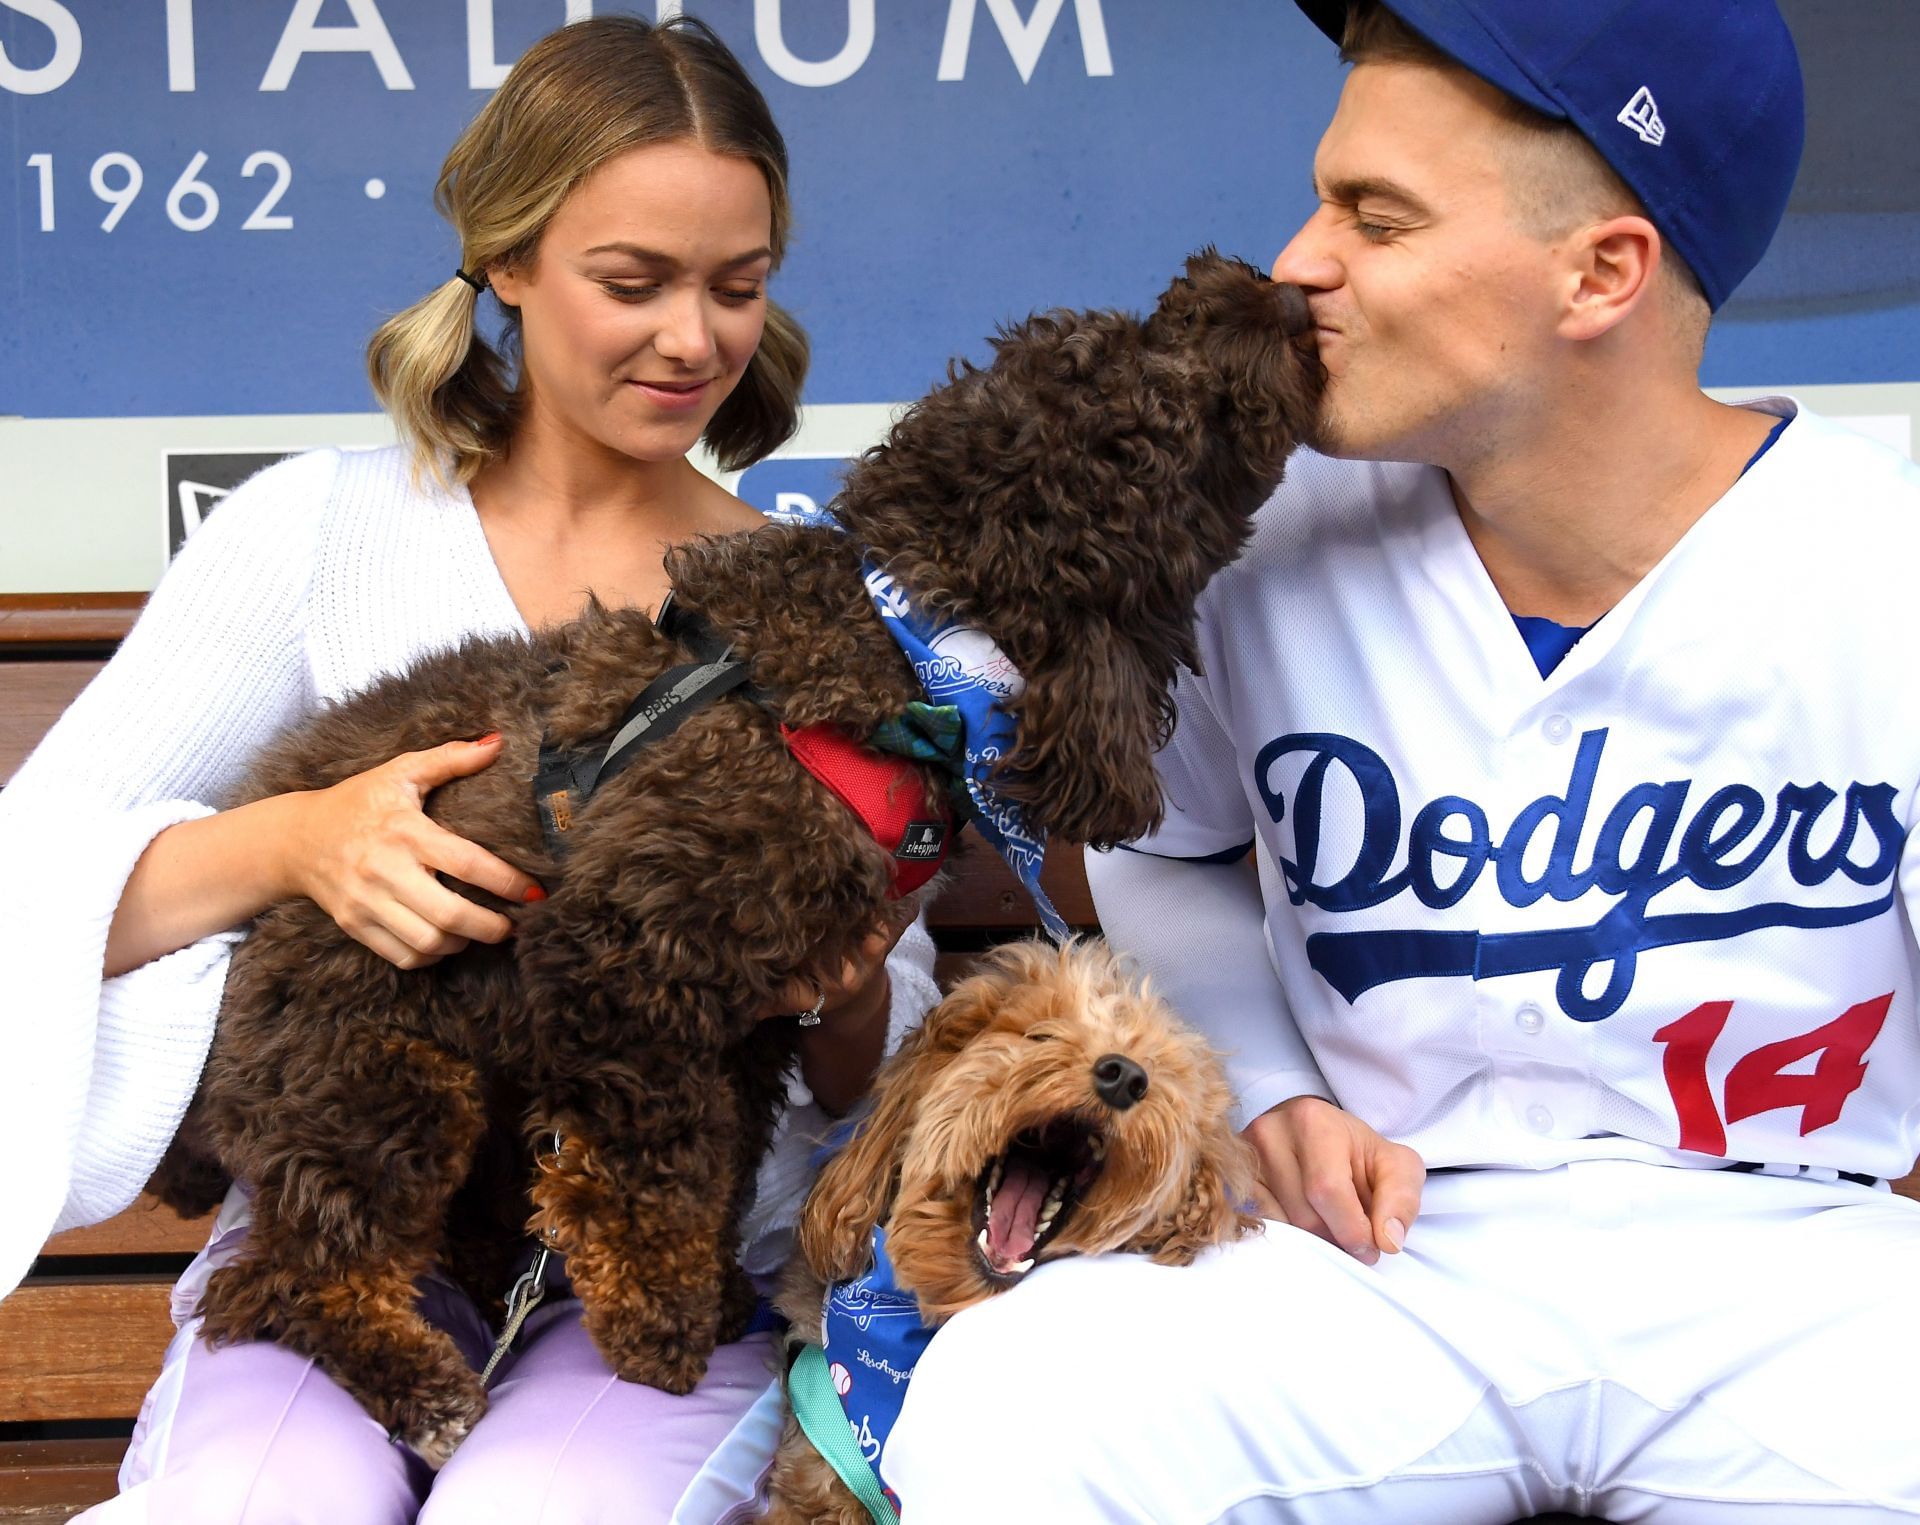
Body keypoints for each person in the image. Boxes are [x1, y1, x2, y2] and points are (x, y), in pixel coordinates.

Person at [883, 2, 1920, 1520]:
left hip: (1791, 1259)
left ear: (1602, 272)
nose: (1302, 261)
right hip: (1385, 1259)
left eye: (1376, 217)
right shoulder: (1270, 529)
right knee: (1018, 1406)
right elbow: (1159, 847)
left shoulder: (1878, 561)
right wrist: (1279, 1079)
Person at [0, 16, 940, 1523]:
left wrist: (838, 989)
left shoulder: (803, 601)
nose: (691, 338)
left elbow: (891, 1060)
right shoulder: (317, 534)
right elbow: (28, 880)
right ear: (505, 260)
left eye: (736, 286)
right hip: (354, 1246)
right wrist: (301, 841)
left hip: (668, 1269)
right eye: (632, 282)